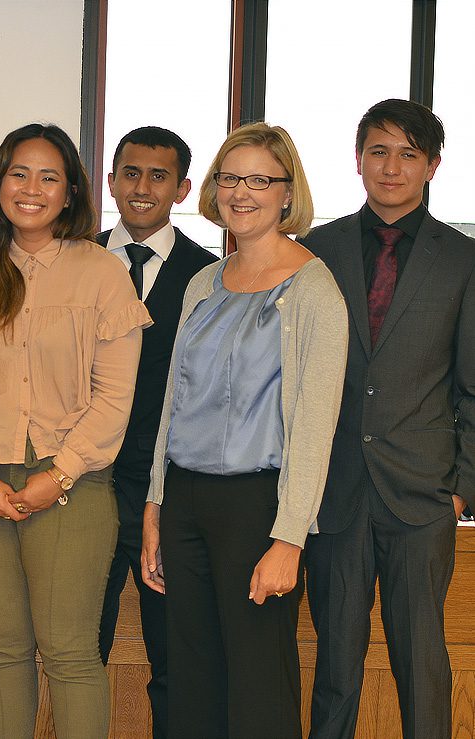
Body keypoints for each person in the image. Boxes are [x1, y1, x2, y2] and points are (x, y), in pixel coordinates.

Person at [0, 123, 151, 738]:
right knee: (0, 652)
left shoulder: (102, 273)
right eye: (18, 174)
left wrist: (60, 474)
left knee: (70, 654)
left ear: (71, 192)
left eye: (49, 176)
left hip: (73, 489)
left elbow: (115, 397)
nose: (31, 188)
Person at [141, 123, 348, 739]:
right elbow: (173, 402)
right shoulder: (203, 284)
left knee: (259, 683)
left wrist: (289, 538)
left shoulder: (315, 290)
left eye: (261, 179)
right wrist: (155, 503)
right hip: (185, 502)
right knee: (192, 677)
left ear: (288, 194)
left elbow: (315, 425)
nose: (242, 192)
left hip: (259, 508)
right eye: (230, 178)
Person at [302, 99, 475, 739]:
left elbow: (473, 388)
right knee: (336, 666)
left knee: (422, 661)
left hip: (424, 496)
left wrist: (461, 489)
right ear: (358, 160)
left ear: (431, 165)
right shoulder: (316, 251)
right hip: (335, 490)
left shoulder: (463, 259)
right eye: (379, 151)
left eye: (408, 154)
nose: (391, 167)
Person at [94, 125, 216, 739]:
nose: (142, 188)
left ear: (184, 188)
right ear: (110, 180)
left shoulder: (212, 276)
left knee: (175, 658)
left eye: (158, 176)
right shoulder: (73, 259)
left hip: (167, 493)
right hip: (80, 486)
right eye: (131, 173)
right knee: (79, 654)